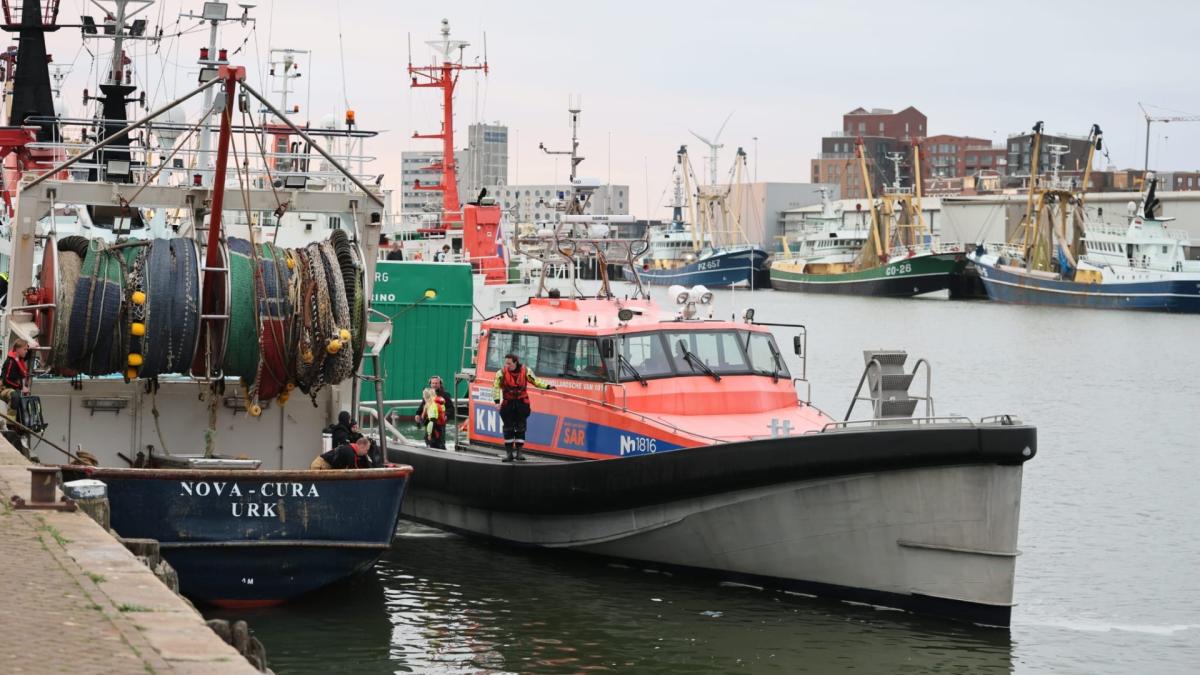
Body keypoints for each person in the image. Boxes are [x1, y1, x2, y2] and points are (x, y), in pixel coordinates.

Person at [491, 353, 553, 462]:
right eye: (506, 363)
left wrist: (548, 386)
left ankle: (519, 453)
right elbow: (495, 387)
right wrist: (496, 402)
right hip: (508, 404)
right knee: (508, 429)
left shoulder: (526, 371)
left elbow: (536, 381)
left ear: (515, 362)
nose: (507, 365)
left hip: (521, 404)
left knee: (521, 428)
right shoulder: (500, 373)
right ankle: (509, 454)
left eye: (509, 363)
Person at [310, 436, 377, 470]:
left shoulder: (350, 449)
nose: (366, 453)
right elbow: (352, 471)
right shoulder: (350, 453)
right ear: (362, 446)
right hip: (320, 466)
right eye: (366, 450)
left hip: (322, 464)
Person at [1, 338, 30, 403]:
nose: (26, 351)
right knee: (15, 396)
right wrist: (21, 387)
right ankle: (11, 413)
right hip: (5, 388)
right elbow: (6, 380)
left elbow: (28, 355)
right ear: (17, 349)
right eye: (24, 349)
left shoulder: (18, 359)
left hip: (15, 388)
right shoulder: (11, 362)